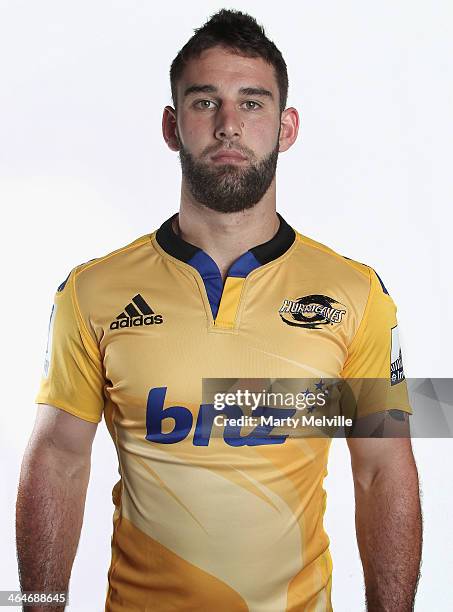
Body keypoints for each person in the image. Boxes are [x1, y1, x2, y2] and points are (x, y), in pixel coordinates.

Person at [16, 9, 422, 612]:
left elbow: (383, 468)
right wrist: (39, 607)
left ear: (286, 128)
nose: (229, 125)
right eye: (205, 102)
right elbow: (60, 458)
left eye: (253, 103)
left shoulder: (358, 293)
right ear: (171, 124)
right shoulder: (91, 291)